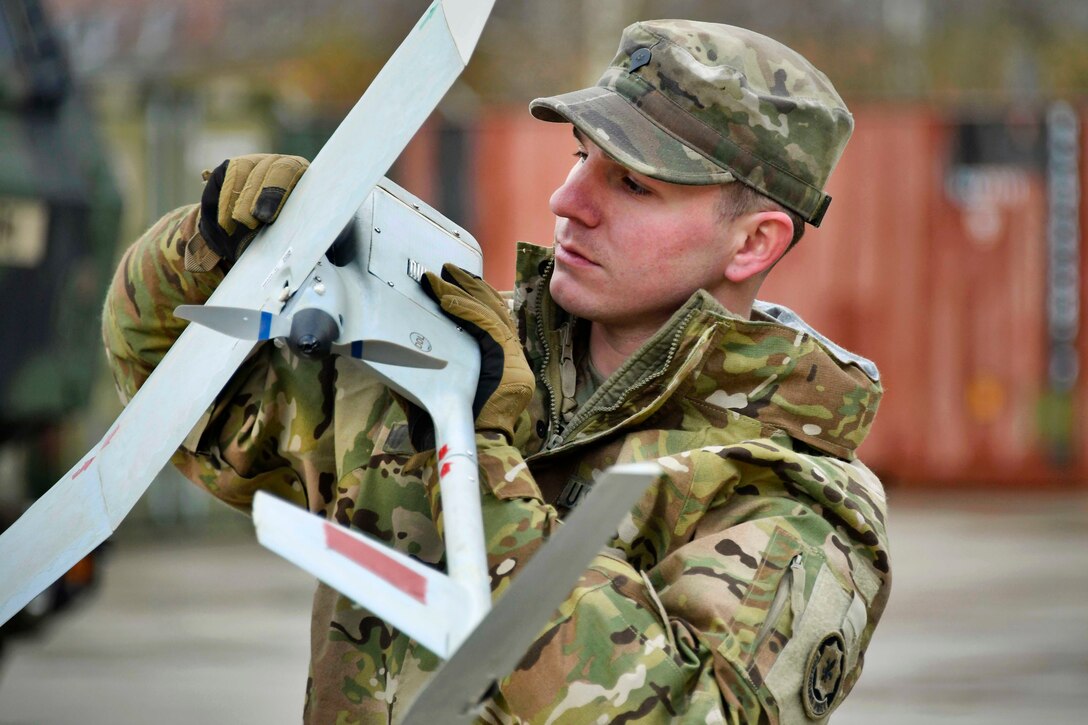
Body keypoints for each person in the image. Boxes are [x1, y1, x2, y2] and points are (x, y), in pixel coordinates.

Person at [103, 19, 890, 724]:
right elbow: (169, 395)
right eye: (581, 157)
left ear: (753, 243)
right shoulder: (443, 350)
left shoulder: (794, 499)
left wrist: (474, 451)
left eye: (632, 183)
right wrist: (208, 251)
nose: (566, 198)